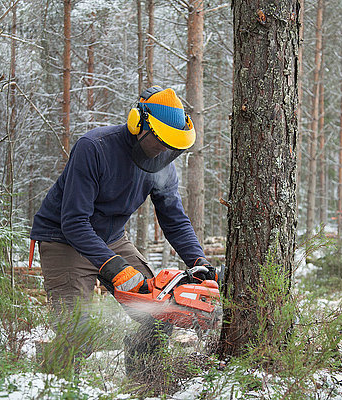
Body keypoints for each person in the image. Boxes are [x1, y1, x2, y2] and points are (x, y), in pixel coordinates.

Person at [30, 86, 217, 375]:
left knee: (160, 312)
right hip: (63, 239)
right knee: (77, 334)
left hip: (112, 238)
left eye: (172, 144)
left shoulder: (162, 164)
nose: (165, 150)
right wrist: (114, 267)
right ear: (137, 123)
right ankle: (53, 383)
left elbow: (174, 218)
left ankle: (143, 382)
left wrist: (198, 262)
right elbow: (74, 221)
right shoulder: (95, 148)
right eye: (160, 141)